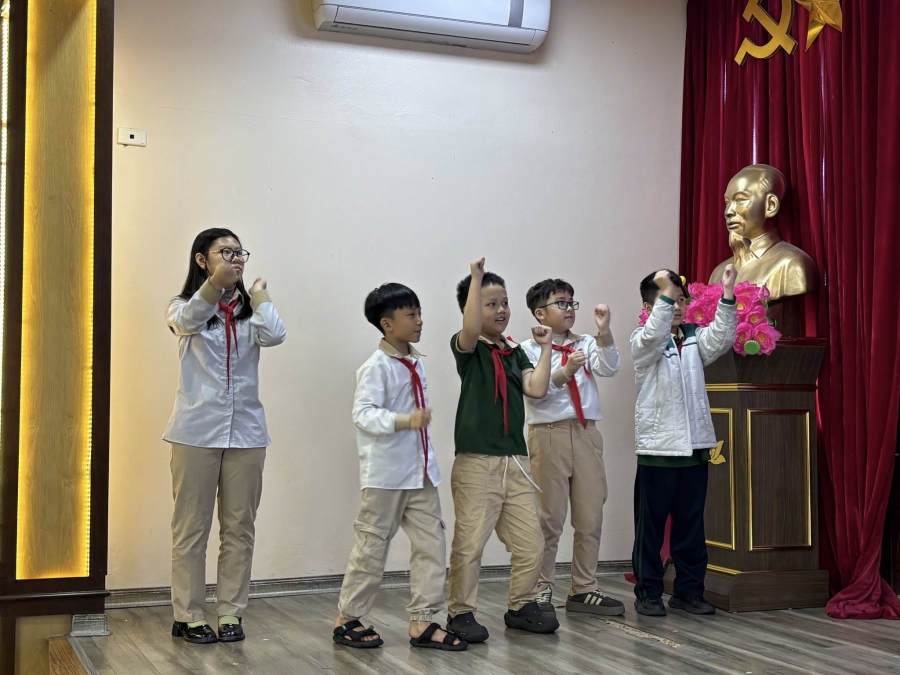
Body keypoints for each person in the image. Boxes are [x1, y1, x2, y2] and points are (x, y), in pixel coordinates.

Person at [164, 228, 286, 644]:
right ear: (202, 260)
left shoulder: (251, 312)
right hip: (195, 432)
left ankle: (231, 612)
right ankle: (188, 614)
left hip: (247, 434)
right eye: (225, 252)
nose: (235, 259)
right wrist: (216, 285)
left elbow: (276, 334)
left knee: (239, 528)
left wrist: (260, 296)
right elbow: (187, 321)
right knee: (191, 528)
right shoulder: (183, 306)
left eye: (239, 253)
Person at [332, 283, 466, 652]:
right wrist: (406, 421)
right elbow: (363, 414)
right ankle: (348, 618)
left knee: (431, 545)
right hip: (386, 476)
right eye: (411, 315)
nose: (420, 320)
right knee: (371, 547)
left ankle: (423, 620)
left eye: (420, 313)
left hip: (420, 473)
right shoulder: (375, 367)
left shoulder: (416, 362)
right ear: (387, 324)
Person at [446, 257, 559, 643]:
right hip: (477, 462)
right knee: (469, 544)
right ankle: (460, 612)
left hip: (516, 461)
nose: (501, 310)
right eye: (491, 304)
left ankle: (522, 605)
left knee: (532, 541)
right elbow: (471, 328)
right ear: (472, 308)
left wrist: (546, 348)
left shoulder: (514, 351)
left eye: (505, 303)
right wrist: (476, 278)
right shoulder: (468, 347)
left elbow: (536, 389)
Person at [630, 265, 737, 617]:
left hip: (694, 449)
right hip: (658, 452)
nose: (676, 306)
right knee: (651, 529)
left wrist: (728, 294)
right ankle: (649, 592)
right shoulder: (642, 341)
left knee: (691, 527)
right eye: (668, 300)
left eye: (680, 300)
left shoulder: (692, 337)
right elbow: (654, 333)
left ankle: (689, 592)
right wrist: (664, 293)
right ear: (650, 307)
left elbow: (722, 337)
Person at [520, 279, 624, 615]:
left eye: (571, 303)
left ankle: (584, 588)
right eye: (561, 303)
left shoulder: (586, 343)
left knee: (590, 516)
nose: (569, 309)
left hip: (585, 432)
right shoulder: (528, 349)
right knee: (548, 518)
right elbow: (537, 393)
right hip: (548, 434)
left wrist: (604, 331)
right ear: (540, 313)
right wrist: (566, 370)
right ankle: (540, 589)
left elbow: (609, 367)